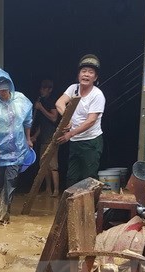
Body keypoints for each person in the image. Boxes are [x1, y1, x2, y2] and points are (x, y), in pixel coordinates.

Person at [0, 68, 33, 224]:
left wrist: (28, 139)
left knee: (10, 183)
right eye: (0, 91)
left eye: (5, 90)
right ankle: (0, 210)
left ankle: (4, 216)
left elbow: (27, 121)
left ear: (10, 87)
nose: (3, 94)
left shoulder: (21, 100)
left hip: (17, 151)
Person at [55, 54, 106, 188]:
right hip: (75, 142)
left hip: (91, 142)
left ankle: (90, 209)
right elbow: (59, 103)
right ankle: (72, 208)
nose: (86, 75)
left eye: (90, 72)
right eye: (84, 71)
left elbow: (91, 121)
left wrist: (70, 134)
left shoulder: (97, 95)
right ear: (78, 75)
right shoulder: (73, 89)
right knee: (72, 177)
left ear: (95, 78)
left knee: (88, 178)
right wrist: (68, 119)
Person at [31, 79, 59, 197]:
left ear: (50, 89)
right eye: (41, 88)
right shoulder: (42, 100)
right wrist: (34, 137)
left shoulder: (52, 102)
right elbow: (42, 126)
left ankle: (56, 190)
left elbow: (54, 118)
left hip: (51, 138)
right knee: (44, 166)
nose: (41, 91)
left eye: (44, 88)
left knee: (53, 165)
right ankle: (48, 190)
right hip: (43, 138)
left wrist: (41, 108)